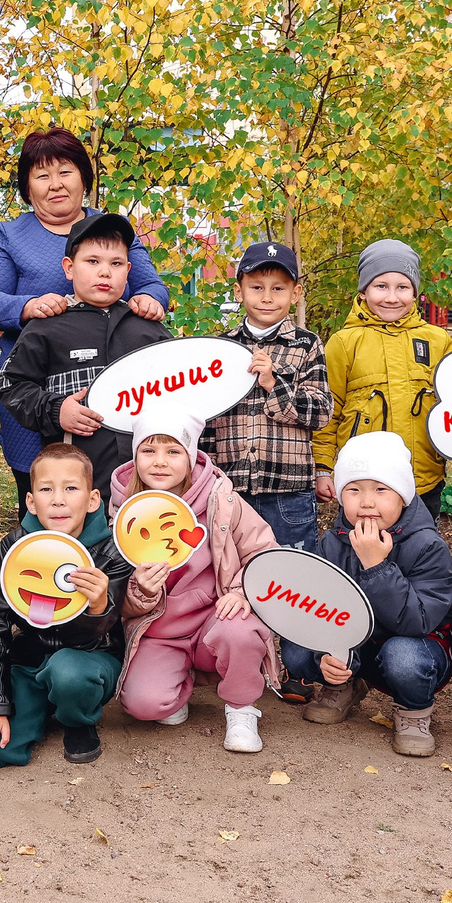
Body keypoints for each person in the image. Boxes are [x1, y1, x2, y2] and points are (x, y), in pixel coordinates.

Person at [0, 128, 170, 501]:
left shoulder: (111, 230)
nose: (55, 184)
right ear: (27, 187)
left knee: (123, 494)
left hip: (117, 392)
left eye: (65, 171)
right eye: (42, 175)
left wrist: (148, 298)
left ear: (84, 177)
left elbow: (153, 285)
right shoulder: (11, 236)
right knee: (50, 498)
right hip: (38, 388)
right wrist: (26, 306)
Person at [203, 240, 333, 704]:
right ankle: (236, 661)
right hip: (231, 488)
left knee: (292, 578)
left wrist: (273, 385)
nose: (266, 296)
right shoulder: (218, 348)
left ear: (294, 294)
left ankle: (299, 667)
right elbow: (203, 416)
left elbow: (320, 412)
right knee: (228, 575)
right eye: (256, 286)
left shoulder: (305, 346)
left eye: (278, 288)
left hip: (287, 489)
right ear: (240, 289)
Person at [111, 411, 280, 753]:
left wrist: (244, 592)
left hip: (215, 619)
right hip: (158, 629)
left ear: (190, 458)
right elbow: (115, 597)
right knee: (144, 705)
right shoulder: (120, 510)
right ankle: (176, 682)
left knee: (240, 629)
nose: (160, 462)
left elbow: (266, 554)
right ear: (134, 456)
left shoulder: (222, 501)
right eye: (148, 451)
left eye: (173, 452)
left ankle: (241, 707)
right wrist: (140, 589)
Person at [0, 442, 130, 767]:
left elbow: (107, 629)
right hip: (31, 662)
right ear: (30, 500)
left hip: (88, 662)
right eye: (45, 489)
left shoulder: (112, 551)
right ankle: (39, 707)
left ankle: (77, 718)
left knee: (68, 672)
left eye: (71, 488)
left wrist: (98, 606)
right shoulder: (14, 548)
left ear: (93, 499)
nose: (58, 499)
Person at [298, 432, 452, 757]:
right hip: (361, 644)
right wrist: (326, 655)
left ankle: (414, 711)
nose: (367, 502)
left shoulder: (427, 545)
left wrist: (376, 565)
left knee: (403, 658)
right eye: (354, 490)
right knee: (296, 653)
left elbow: (417, 621)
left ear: (403, 496)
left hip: (416, 643)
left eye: (381, 490)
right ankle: (343, 684)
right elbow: (319, 609)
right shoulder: (332, 543)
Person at [0, 211, 172, 500]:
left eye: (115, 264)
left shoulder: (147, 329)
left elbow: (183, 389)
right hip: (75, 485)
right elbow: (13, 386)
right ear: (69, 268)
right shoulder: (46, 326)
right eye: (92, 262)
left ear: (128, 270)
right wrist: (56, 411)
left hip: (145, 484)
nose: (105, 272)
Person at [317, 239, 451, 514]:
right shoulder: (344, 343)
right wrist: (322, 466)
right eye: (381, 286)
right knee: (364, 551)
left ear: (415, 293)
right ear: (364, 290)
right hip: (365, 482)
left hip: (423, 480)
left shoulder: (437, 340)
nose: (392, 297)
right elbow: (328, 410)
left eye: (402, 287)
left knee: (421, 551)